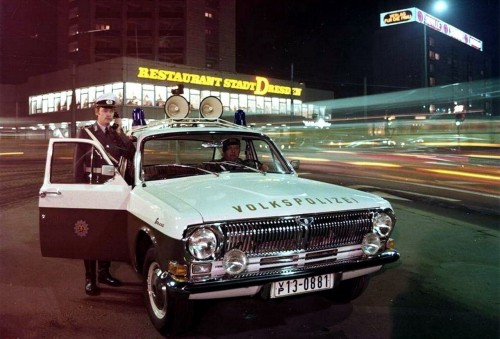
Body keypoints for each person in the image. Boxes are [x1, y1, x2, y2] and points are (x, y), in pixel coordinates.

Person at [74, 93, 136, 296]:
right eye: (105, 111)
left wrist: (120, 130)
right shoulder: (86, 133)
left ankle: (103, 272)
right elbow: (77, 163)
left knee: (107, 233)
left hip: (111, 189)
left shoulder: (114, 133)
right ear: (97, 112)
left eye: (111, 111)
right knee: (91, 234)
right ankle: (89, 278)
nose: (108, 115)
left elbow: (129, 152)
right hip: (92, 189)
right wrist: (79, 190)